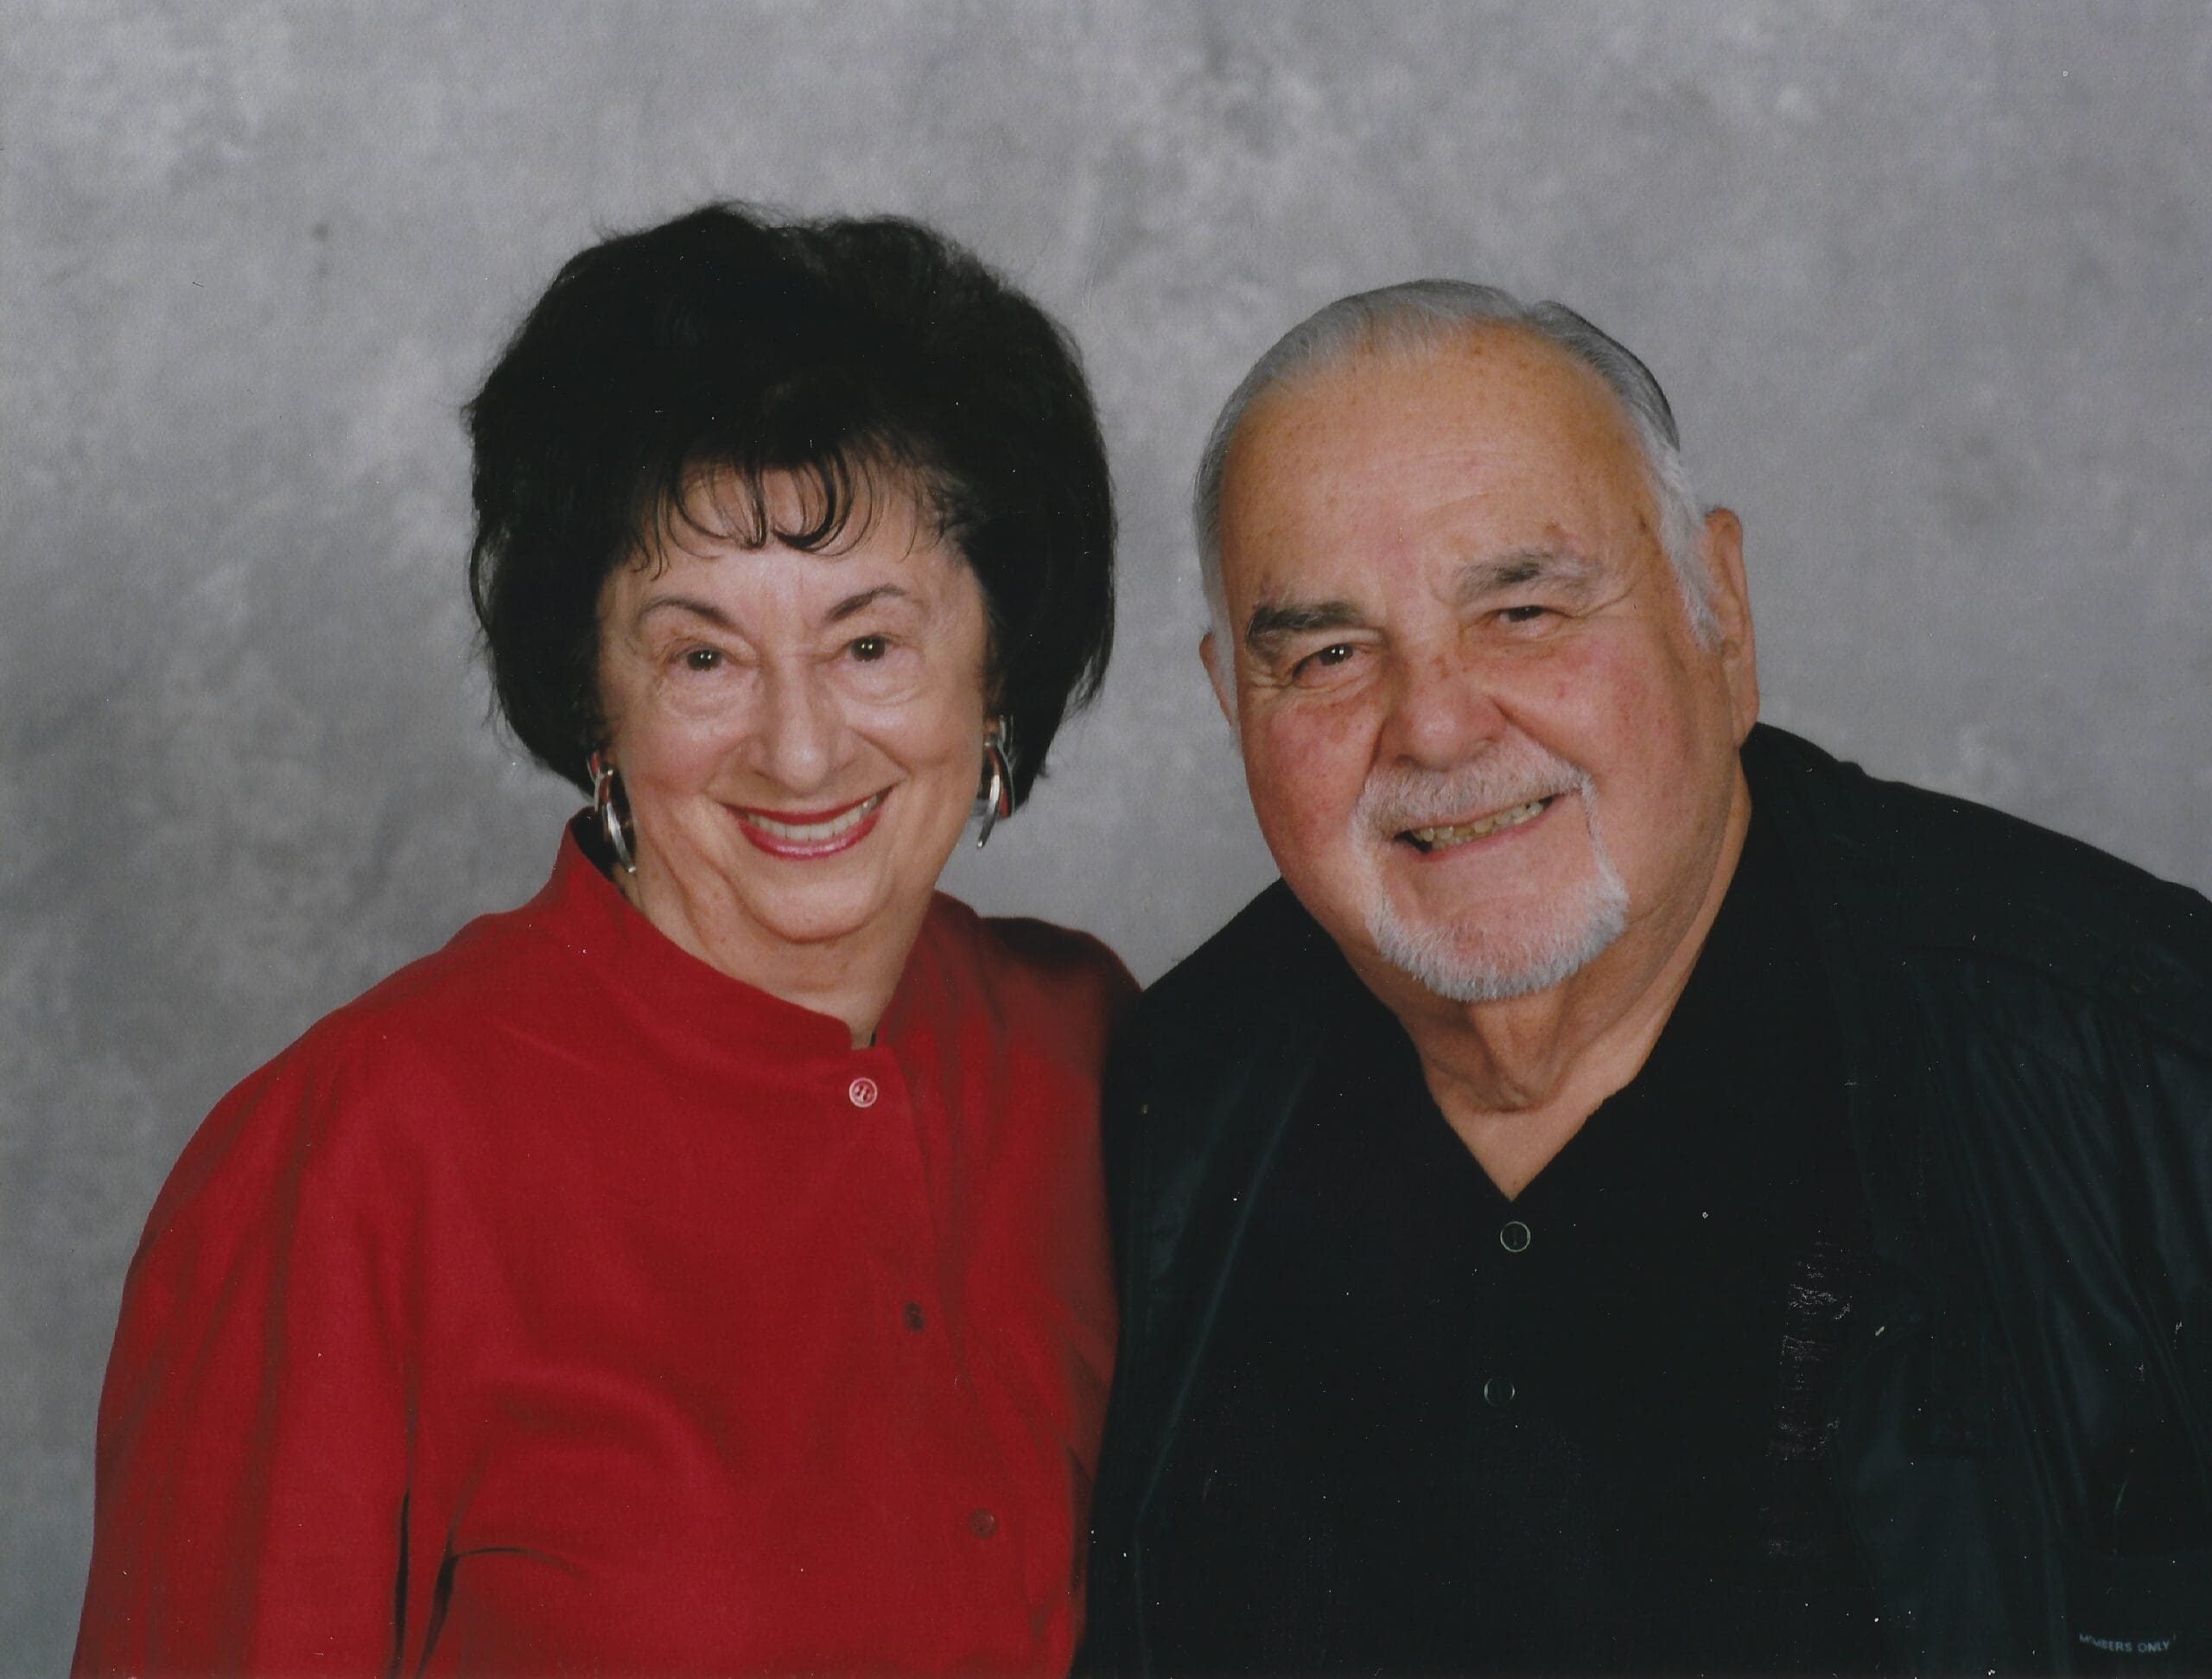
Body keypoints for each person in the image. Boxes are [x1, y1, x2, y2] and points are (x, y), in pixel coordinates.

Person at [1086, 282, 2212, 1675]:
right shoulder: (1169, 1097)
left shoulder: (2148, 1067)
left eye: (1524, 611)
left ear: (1719, 615)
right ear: (1231, 705)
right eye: (1327, 654)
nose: (1435, 723)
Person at [75, 204, 1129, 1676]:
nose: (803, 746)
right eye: (702, 654)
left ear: (995, 665)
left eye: (871, 643)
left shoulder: (1095, 1048)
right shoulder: (354, 1158)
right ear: (594, 702)